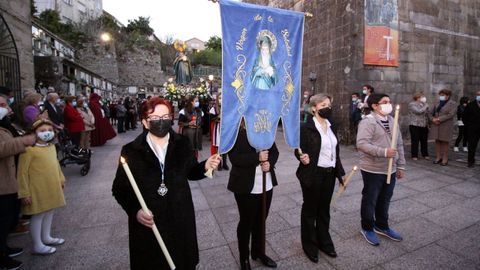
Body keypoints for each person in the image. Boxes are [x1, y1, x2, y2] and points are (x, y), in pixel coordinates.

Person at [112, 97, 220, 270]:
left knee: (182, 261)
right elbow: (120, 189)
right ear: (145, 123)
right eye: (155, 118)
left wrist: (205, 167)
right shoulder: (131, 151)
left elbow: (191, 172)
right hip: (150, 224)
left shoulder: (182, 143)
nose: (161, 122)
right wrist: (135, 211)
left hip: (180, 217)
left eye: (165, 117)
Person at [294, 94, 345, 263]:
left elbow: (334, 152)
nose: (327, 107)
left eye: (329, 104)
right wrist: (302, 157)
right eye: (323, 104)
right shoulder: (305, 127)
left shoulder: (332, 125)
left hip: (329, 174)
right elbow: (298, 149)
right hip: (312, 174)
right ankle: (309, 244)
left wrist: (340, 172)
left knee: (324, 210)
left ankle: (324, 241)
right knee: (310, 210)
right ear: (314, 108)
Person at [228, 120, 279, 270]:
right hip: (245, 185)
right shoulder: (236, 131)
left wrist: (269, 162)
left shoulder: (265, 129)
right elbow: (235, 158)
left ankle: (259, 252)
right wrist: (257, 158)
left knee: (261, 220)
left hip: (266, 184)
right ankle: (244, 258)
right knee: (246, 223)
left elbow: (275, 152)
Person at [356, 93, 406, 246]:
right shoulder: (368, 122)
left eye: (389, 102)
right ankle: (367, 227)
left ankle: (382, 225)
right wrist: (383, 152)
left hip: (389, 169)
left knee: (385, 199)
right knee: (370, 199)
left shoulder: (392, 120)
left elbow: (399, 144)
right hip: (373, 168)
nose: (388, 104)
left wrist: (401, 165)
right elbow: (362, 144)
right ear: (375, 106)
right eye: (384, 102)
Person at [17, 119, 66, 255]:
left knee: (49, 211)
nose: (47, 133)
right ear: (34, 133)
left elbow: (56, 164)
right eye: (42, 131)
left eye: (49, 130)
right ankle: (38, 244)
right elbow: (22, 172)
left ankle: (46, 237)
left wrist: (61, 178)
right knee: (38, 215)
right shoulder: (29, 150)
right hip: (37, 188)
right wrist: (24, 192)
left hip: (51, 185)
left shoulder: (50, 147)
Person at [0, 94, 36, 270]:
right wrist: (23, 141)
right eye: (2, 104)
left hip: (8, 175)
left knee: (7, 217)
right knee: (3, 217)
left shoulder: (5, 123)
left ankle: (4, 248)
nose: (7, 108)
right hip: (3, 179)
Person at [430, 89, 457, 166]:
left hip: (446, 125)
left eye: (443, 95)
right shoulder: (437, 102)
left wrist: (439, 119)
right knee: (437, 141)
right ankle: (438, 157)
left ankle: (445, 158)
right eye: (440, 95)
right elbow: (430, 112)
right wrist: (433, 119)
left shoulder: (453, 103)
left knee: (445, 142)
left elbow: (451, 114)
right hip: (436, 125)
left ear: (447, 96)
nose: (441, 96)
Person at [209, 94, 229, 171]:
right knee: (218, 147)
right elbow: (210, 119)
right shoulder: (213, 109)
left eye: (221, 98)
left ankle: (225, 163)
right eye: (219, 98)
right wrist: (217, 118)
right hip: (217, 129)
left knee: (225, 146)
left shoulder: (226, 108)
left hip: (224, 129)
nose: (220, 100)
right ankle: (219, 164)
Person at [408, 92, 430, 160]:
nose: (423, 98)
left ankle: (425, 154)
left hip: (424, 125)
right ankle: (414, 155)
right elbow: (418, 111)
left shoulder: (424, 104)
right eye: (422, 96)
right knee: (415, 140)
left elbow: (427, 114)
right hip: (415, 125)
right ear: (417, 97)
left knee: (424, 140)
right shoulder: (412, 104)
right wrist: (426, 106)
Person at [463, 90, 480, 168]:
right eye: (478, 94)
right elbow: (464, 117)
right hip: (473, 129)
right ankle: (470, 161)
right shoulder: (470, 105)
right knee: (471, 146)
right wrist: (468, 126)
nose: (478, 96)